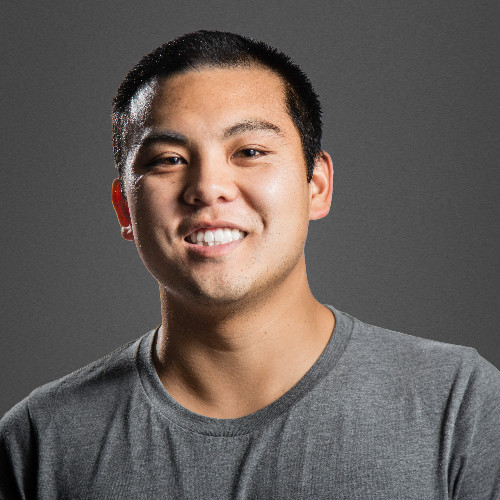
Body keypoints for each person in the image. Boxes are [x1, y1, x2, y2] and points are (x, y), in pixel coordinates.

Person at [1, 30, 499, 499]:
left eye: (250, 151)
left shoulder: (460, 404)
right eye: (168, 159)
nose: (207, 188)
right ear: (125, 209)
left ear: (317, 185)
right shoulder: (39, 441)